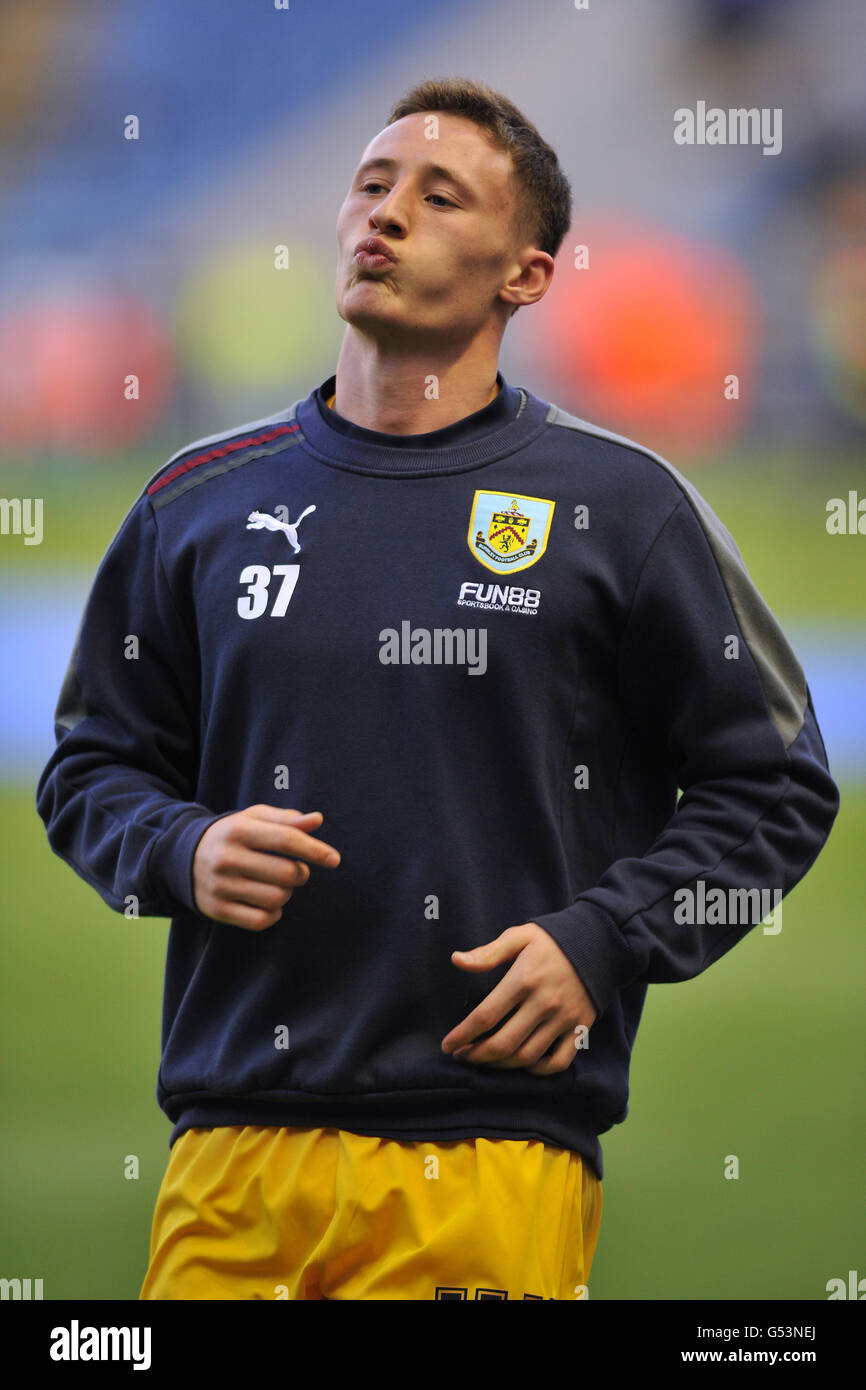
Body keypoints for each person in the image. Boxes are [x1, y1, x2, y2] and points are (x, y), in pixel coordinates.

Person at [36, 77, 840, 1301]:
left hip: (489, 1157)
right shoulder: (196, 503)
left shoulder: (621, 512)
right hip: (226, 1160)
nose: (385, 213)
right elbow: (89, 767)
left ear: (524, 274)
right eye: (369, 185)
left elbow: (775, 786)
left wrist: (606, 938)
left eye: (437, 193)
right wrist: (179, 849)